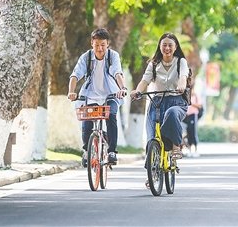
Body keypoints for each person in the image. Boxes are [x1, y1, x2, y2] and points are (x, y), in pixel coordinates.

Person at [68, 28, 127, 165]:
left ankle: (112, 151)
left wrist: (122, 88)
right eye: (97, 45)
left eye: (103, 45)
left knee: (111, 115)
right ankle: (87, 151)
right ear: (91, 43)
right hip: (91, 96)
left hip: (111, 95)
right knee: (86, 122)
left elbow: (117, 72)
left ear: (108, 44)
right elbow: (75, 75)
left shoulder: (113, 56)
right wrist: (71, 91)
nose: (100, 48)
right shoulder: (86, 57)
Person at [130, 32, 189, 161]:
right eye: (164, 45)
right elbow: (144, 81)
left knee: (172, 113)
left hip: (177, 101)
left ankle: (175, 147)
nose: (167, 48)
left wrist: (181, 86)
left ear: (175, 47)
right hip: (156, 103)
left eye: (170, 45)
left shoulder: (181, 62)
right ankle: (150, 173)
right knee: (151, 138)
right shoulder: (154, 64)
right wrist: (137, 91)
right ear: (160, 46)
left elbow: (183, 77)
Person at [183, 86, 202, 157]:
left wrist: (191, 103)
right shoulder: (186, 96)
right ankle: (190, 150)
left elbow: (200, 105)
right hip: (186, 116)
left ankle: (196, 150)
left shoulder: (196, 96)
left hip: (193, 115)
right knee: (188, 132)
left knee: (193, 132)